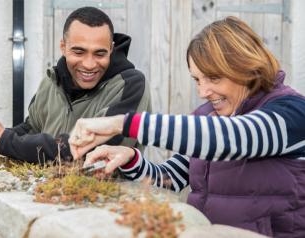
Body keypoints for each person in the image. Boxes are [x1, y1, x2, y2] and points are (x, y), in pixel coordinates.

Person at [69, 16, 305, 237]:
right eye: (197, 79)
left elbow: (237, 138)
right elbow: (170, 179)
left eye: (213, 78)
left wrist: (122, 124)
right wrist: (130, 159)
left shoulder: (291, 111)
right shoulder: (209, 117)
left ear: (246, 67)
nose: (203, 92)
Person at [0, 6, 151, 163]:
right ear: (63, 47)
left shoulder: (131, 86)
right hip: (44, 197)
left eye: (99, 53)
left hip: (105, 200)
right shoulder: (51, 81)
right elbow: (31, 128)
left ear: (111, 49)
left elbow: (88, 152)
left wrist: (5, 140)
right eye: (79, 51)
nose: (89, 64)